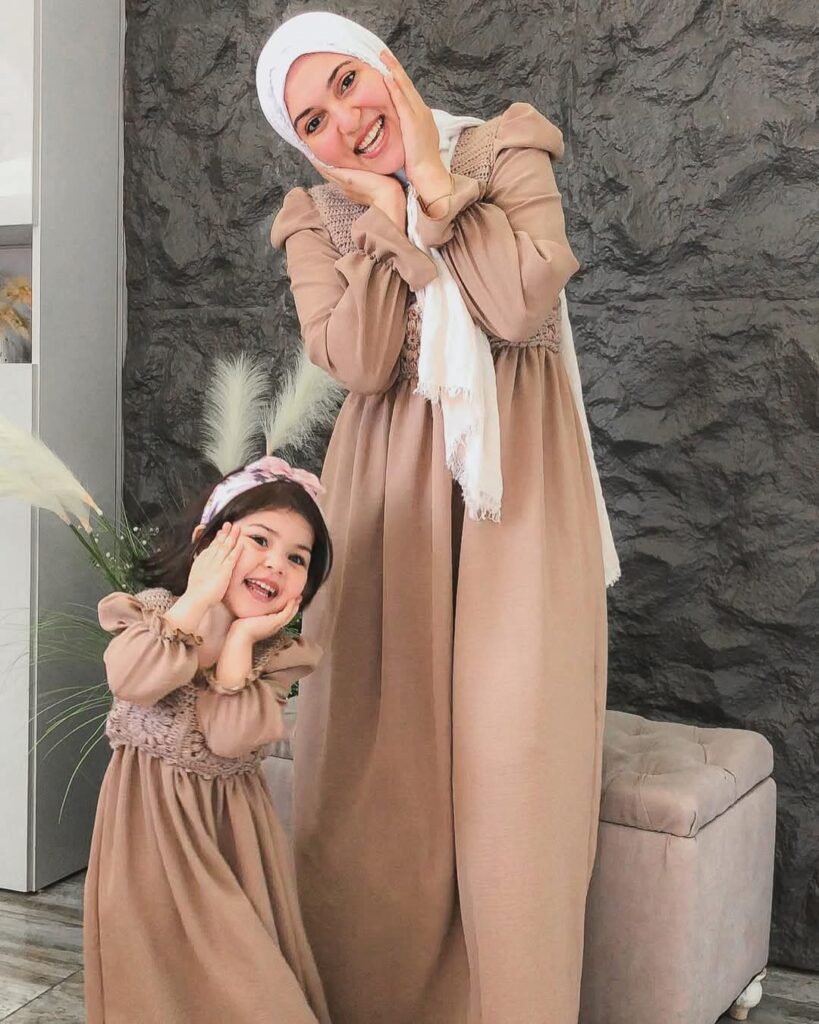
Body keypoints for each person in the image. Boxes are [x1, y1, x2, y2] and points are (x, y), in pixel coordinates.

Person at [257, 12, 619, 1024]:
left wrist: (431, 187)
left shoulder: (506, 150)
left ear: (384, 66)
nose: (342, 121)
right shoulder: (314, 220)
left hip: (518, 500)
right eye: (310, 120)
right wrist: (380, 215)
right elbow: (365, 360)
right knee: (380, 766)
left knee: (518, 766)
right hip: (388, 510)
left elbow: (516, 306)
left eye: (345, 83)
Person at [83, 456, 333, 1024]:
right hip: (147, 838)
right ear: (207, 543)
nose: (276, 563)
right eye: (260, 540)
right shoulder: (153, 616)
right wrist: (196, 601)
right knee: (158, 981)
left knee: (251, 981)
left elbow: (229, 737)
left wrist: (241, 644)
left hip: (229, 838)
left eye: (298, 558)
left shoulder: (275, 658)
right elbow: (132, 678)